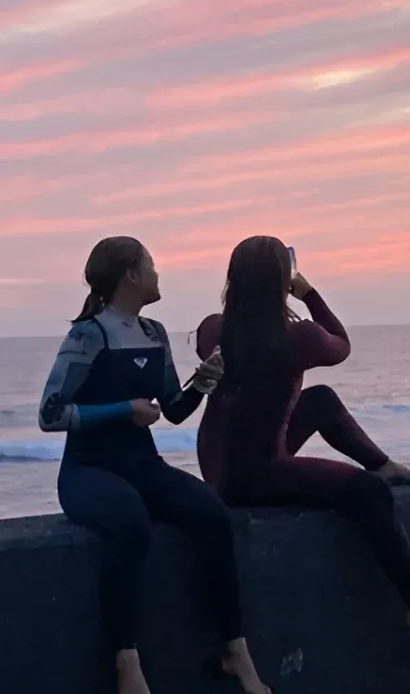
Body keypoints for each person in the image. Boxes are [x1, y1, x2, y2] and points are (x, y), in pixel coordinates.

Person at [195, 235, 410, 641]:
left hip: (220, 468)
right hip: (255, 476)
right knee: (368, 493)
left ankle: (382, 464)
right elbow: (341, 344)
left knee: (320, 401)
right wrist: (308, 292)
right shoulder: (299, 338)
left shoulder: (212, 330)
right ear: (283, 279)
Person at [38, 236, 272, 694]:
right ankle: (127, 663)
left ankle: (234, 650)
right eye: (151, 265)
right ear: (131, 274)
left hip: (143, 465)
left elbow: (172, 408)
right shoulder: (88, 335)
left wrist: (203, 384)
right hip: (89, 472)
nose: (157, 273)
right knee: (130, 522)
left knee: (212, 517)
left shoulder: (154, 333)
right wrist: (121, 409)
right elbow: (50, 415)